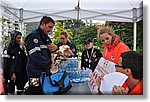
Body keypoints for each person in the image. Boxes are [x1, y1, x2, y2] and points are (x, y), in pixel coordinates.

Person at [24, 16, 58, 95]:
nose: (50, 30)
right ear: (42, 24)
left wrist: (56, 47)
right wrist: (50, 64)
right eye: (49, 27)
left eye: (52, 28)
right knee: (33, 91)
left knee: (43, 90)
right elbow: (35, 57)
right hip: (34, 73)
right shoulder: (33, 36)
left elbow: (50, 49)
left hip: (44, 71)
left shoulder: (45, 37)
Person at [2, 30, 28, 95]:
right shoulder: (8, 47)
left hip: (21, 73)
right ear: (13, 37)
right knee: (10, 91)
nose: (19, 40)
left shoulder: (20, 47)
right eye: (18, 38)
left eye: (20, 38)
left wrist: (22, 50)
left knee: (20, 90)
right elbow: (6, 62)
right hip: (12, 73)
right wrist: (11, 73)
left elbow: (24, 59)